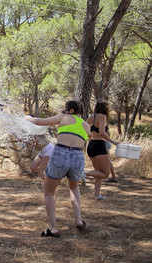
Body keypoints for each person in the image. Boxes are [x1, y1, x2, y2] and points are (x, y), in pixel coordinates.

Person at [26, 100, 90, 237]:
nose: (63, 112)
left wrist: (28, 118)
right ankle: (79, 220)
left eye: (65, 109)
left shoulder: (64, 118)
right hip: (78, 155)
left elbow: (39, 122)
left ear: (71, 110)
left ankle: (53, 228)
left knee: (49, 192)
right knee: (74, 187)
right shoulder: (86, 125)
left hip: (61, 152)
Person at [85, 101, 119, 199]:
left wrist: (90, 136)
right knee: (105, 173)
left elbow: (86, 130)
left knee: (98, 172)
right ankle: (83, 173)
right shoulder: (102, 117)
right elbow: (102, 132)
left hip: (91, 145)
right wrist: (113, 141)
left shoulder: (91, 117)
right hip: (99, 145)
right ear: (104, 108)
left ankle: (96, 194)